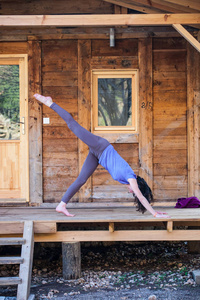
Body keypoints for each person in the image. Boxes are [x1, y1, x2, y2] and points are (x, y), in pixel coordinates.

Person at [34, 94, 170, 219]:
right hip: (101, 147)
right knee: (73, 125)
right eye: (133, 191)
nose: (131, 192)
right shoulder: (131, 178)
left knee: (81, 179)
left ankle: (61, 205)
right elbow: (141, 197)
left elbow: (140, 196)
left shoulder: (127, 180)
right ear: (137, 187)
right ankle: (50, 102)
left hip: (98, 156)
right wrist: (155, 214)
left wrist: (155, 210)